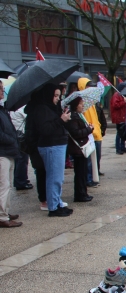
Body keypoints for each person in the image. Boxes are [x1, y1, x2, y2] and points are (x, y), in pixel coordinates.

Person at [28, 84, 72, 216]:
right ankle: (53, 207)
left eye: (59, 96)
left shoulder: (52, 108)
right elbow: (45, 130)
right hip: (51, 146)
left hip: (57, 144)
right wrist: (60, 120)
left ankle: (56, 202)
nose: (58, 99)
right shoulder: (41, 109)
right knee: (54, 178)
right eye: (56, 96)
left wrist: (63, 117)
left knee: (57, 178)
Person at [0, 80, 22, 227]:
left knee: (7, 184)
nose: (2, 91)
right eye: (0, 88)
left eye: (2, 88)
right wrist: (12, 139)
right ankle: (2, 217)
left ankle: (5, 211)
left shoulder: (2, 109)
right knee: (3, 185)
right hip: (2, 151)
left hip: (8, 151)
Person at [64, 97, 93, 202]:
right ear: (76, 105)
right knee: (80, 172)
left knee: (83, 171)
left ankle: (83, 193)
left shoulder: (79, 115)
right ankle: (80, 194)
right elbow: (76, 133)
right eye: (81, 104)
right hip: (78, 149)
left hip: (81, 148)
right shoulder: (73, 117)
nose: (82, 105)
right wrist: (88, 130)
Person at [77, 78, 105, 186]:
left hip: (96, 134)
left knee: (96, 158)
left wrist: (100, 128)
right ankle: (88, 178)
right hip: (89, 134)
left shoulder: (91, 102)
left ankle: (94, 175)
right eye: (88, 86)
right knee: (89, 160)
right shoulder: (82, 102)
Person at [9, 106, 32, 190]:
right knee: (22, 159)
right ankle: (21, 182)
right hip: (21, 136)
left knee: (18, 160)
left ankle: (20, 179)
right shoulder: (20, 109)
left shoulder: (11, 110)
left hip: (15, 135)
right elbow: (28, 117)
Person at [110, 87, 126, 154]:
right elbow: (115, 105)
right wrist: (124, 102)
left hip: (122, 116)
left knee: (123, 132)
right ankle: (118, 148)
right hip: (118, 117)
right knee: (119, 133)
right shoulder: (116, 95)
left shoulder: (122, 95)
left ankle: (123, 147)